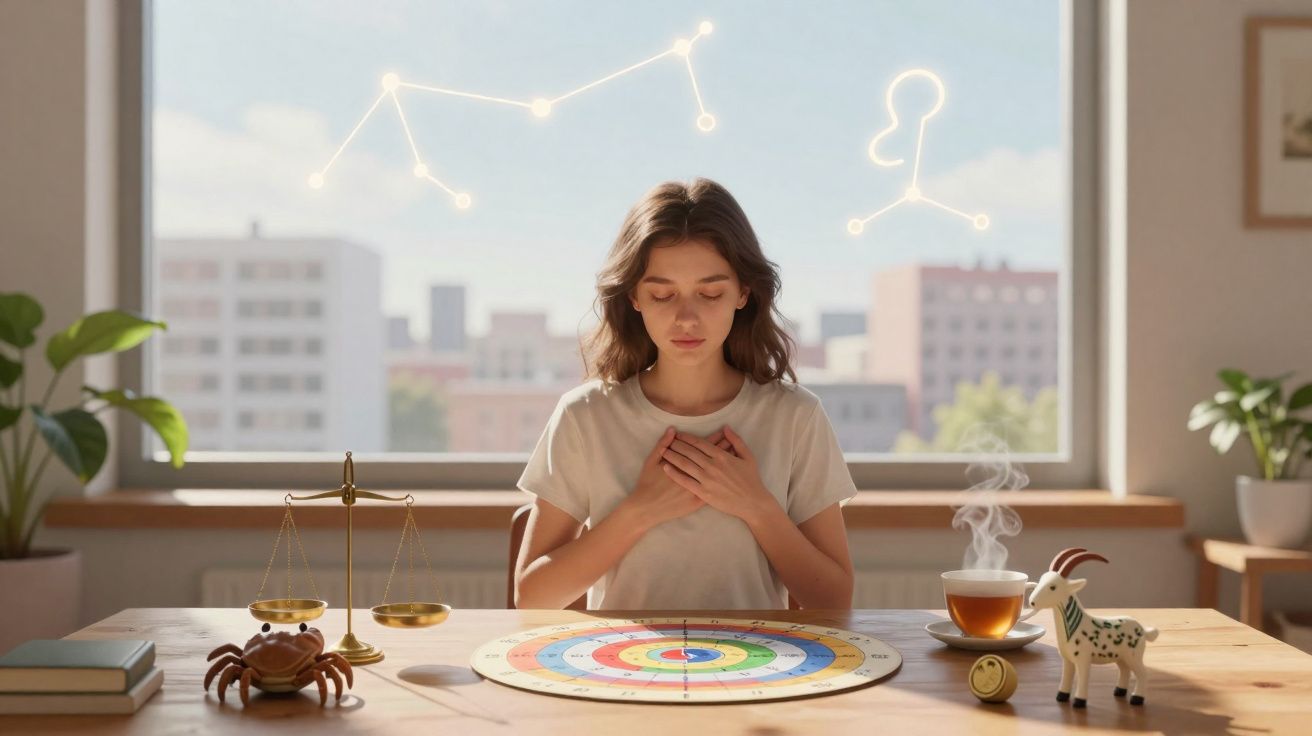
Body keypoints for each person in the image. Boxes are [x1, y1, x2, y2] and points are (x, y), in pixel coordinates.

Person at [514, 178, 856, 610]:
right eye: (662, 295)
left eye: (710, 293)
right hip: (622, 671)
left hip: (761, 669)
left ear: (743, 293)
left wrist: (756, 506)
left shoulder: (796, 417)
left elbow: (835, 599)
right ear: (634, 297)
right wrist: (640, 510)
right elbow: (532, 598)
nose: (686, 318)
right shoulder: (585, 415)